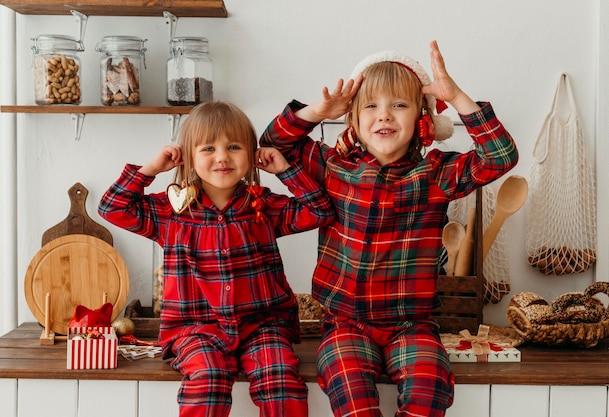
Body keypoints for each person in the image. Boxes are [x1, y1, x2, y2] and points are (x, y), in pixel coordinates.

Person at [260, 40, 519, 417]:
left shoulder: (434, 174)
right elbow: (271, 145)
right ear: (354, 120)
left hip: (412, 326)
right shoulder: (332, 168)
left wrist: (457, 96)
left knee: (429, 389)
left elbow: (500, 156)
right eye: (371, 106)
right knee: (350, 393)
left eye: (399, 105)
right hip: (346, 324)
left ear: (421, 119)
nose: (385, 116)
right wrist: (319, 111)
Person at [98, 101, 334, 417]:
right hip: (195, 330)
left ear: (252, 155)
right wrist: (149, 170)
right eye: (208, 148)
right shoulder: (171, 212)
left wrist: (287, 171)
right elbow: (111, 208)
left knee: (281, 381)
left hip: (262, 325)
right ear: (189, 158)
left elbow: (319, 211)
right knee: (207, 383)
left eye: (234, 147)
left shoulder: (262, 207)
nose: (222, 157)